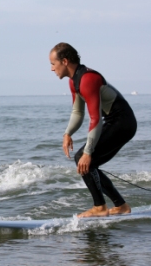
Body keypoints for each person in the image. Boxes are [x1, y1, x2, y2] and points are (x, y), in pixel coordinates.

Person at [49, 42, 137, 218]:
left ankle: (100, 207)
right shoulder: (75, 82)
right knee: (87, 163)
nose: (52, 69)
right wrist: (68, 133)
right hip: (115, 121)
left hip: (122, 122)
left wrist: (88, 152)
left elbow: (95, 119)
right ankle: (120, 206)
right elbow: (77, 112)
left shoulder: (88, 79)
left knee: (84, 159)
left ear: (64, 61)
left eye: (53, 64)